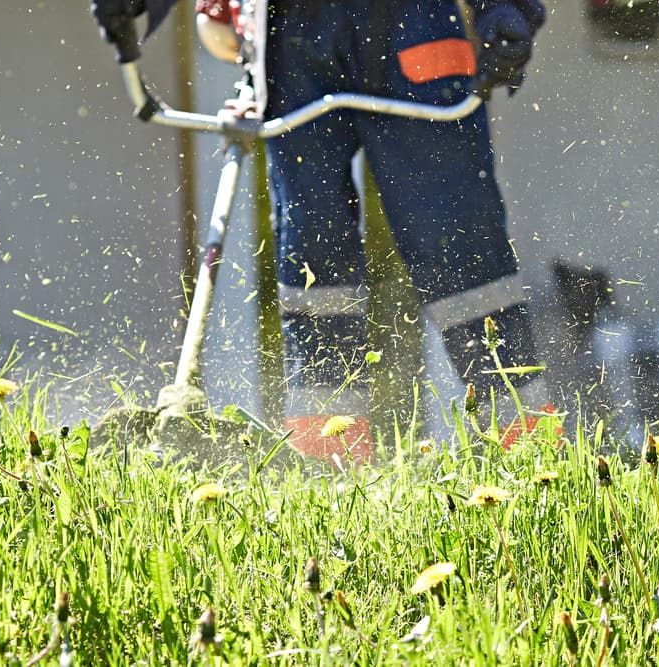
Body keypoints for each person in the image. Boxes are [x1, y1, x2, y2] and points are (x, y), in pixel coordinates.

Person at [91, 0, 548, 465]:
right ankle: (329, 469)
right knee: (315, 261)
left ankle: (528, 463)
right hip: (295, 41)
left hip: (415, 24)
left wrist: (505, 10)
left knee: (462, 251)